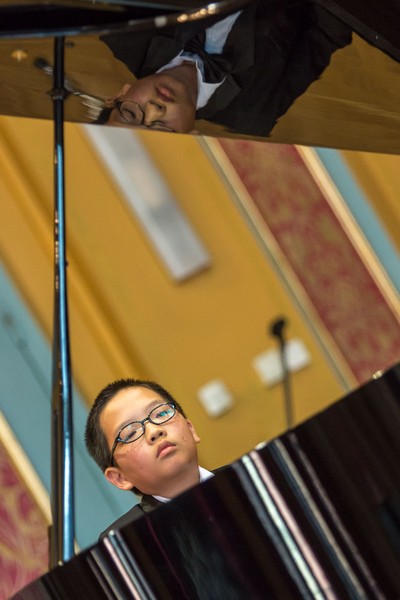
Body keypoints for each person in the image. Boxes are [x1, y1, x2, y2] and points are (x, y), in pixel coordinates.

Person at [98, 0, 352, 135]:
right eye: (163, 128)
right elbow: (327, 31)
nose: (155, 110)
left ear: (119, 96)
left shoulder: (124, 30)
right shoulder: (254, 112)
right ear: (190, 135)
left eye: (130, 114)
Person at [85, 378, 213, 537]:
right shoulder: (130, 538)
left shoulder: (242, 477)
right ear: (120, 477)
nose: (154, 431)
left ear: (191, 429)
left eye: (162, 413)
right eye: (130, 434)